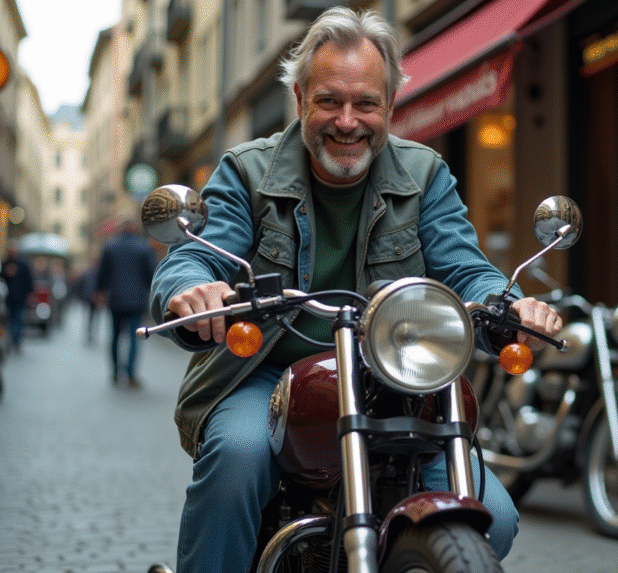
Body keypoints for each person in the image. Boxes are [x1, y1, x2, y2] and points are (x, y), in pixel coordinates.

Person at [149, 7, 563, 572]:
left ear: (389, 106)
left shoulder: (425, 176)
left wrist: (509, 307)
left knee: (496, 515)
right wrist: (193, 287)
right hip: (266, 372)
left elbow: (467, 270)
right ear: (300, 101)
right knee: (238, 456)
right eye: (329, 101)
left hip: (393, 376)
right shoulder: (247, 171)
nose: (348, 120)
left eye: (366, 103)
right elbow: (197, 252)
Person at [96, 218, 157, 387]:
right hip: (137, 300)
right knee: (134, 338)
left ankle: (115, 372)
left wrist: (100, 291)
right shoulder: (144, 248)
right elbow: (152, 275)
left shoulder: (110, 246)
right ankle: (130, 374)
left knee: (115, 336)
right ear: (135, 229)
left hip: (115, 299)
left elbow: (102, 274)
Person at [1, 239, 33, 353]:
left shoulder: (23, 265)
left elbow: (28, 281)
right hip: (8, 299)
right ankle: (10, 340)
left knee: (18, 320)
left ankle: (16, 340)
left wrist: (29, 295)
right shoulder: (5, 264)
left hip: (20, 298)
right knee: (9, 321)